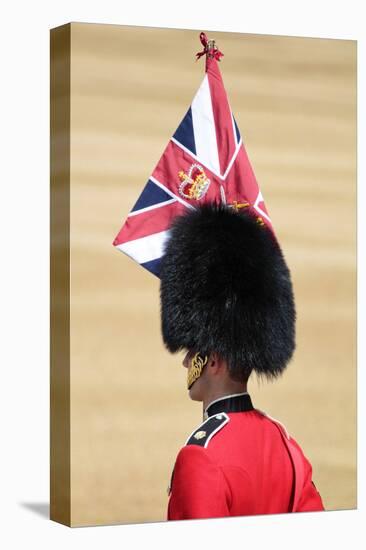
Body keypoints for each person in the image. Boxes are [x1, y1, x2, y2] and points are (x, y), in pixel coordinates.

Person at [159, 202, 324, 520]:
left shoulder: (200, 456)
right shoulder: (284, 443)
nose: (186, 363)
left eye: (193, 351)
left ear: (214, 360)